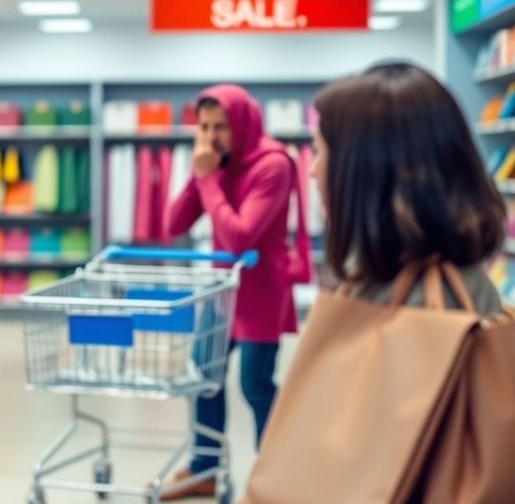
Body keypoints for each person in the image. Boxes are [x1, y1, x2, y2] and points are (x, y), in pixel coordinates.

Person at [161, 85, 310, 500]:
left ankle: (272, 475)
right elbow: (174, 224)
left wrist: (208, 181)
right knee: (203, 377)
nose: (211, 138)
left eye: (220, 127)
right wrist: (199, 175)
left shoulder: (273, 164)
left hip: (261, 290)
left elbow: (239, 237)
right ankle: (205, 469)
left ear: (242, 123)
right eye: (204, 128)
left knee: (255, 385)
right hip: (222, 291)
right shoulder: (215, 162)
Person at [311, 61, 504, 314]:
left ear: (367, 169)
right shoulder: (462, 283)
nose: (312, 170)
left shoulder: (414, 301)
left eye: (320, 151)